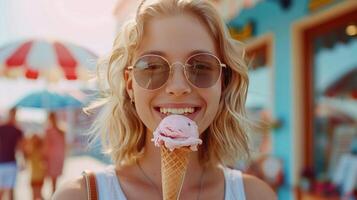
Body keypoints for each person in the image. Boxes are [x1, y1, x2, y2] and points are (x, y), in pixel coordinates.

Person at [53, 0, 276, 199]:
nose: (178, 87)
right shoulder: (80, 195)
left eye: (201, 66)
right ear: (130, 84)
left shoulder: (257, 195)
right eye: (152, 67)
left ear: (223, 82)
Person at [0, 108, 24, 200]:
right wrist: (22, 161)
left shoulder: (2, 128)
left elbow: (20, 148)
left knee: (5, 191)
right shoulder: (17, 130)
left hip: (6, 162)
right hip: (9, 163)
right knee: (9, 191)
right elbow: (20, 148)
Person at [43, 112, 66, 194]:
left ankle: (54, 196)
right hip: (59, 157)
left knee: (52, 181)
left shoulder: (48, 130)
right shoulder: (62, 130)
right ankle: (54, 194)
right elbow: (64, 145)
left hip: (51, 157)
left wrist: (43, 158)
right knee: (55, 180)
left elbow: (45, 146)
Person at [23, 134, 47, 200]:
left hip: (39, 176)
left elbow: (45, 162)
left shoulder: (40, 150)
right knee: (35, 195)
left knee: (37, 195)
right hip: (33, 177)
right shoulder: (31, 150)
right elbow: (25, 157)